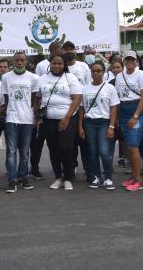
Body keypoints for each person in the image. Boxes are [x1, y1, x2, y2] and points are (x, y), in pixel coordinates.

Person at [38, 54, 83, 191]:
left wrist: (67, 117)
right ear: (50, 64)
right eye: (54, 63)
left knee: (66, 147)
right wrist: (37, 114)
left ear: (64, 65)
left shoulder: (70, 78)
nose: (57, 66)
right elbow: (37, 97)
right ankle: (58, 177)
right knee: (53, 149)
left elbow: (77, 98)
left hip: (68, 118)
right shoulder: (42, 78)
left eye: (60, 64)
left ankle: (68, 177)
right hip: (48, 119)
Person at [1, 52, 39, 193]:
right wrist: (9, 112)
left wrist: (35, 116)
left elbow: (34, 99)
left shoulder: (34, 78)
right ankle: (12, 179)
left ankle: (23, 177)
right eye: (17, 60)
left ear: (26, 62)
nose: (19, 62)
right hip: (12, 118)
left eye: (22, 60)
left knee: (24, 152)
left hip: (27, 119)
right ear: (13, 61)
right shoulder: (6, 77)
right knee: (11, 151)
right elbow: (6, 98)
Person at [79, 61, 120, 190]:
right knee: (93, 151)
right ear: (90, 72)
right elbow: (81, 109)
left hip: (104, 122)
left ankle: (108, 178)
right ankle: (97, 177)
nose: (96, 73)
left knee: (103, 151)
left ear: (103, 72)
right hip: (89, 122)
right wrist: (80, 126)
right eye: (93, 71)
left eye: (99, 71)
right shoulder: (85, 88)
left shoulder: (110, 88)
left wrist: (111, 126)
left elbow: (114, 108)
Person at [114, 51, 143, 191]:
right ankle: (133, 176)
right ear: (124, 61)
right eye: (127, 59)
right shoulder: (119, 76)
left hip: (138, 111)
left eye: (132, 60)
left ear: (136, 62)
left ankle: (138, 181)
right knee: (130, 146)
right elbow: (117, 96)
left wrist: (135, 116)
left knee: (134, 146)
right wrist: (116, 118)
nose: (130, 62)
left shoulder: (141, 74)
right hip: (123, 110)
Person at [30, 43, 63, 180]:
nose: (58, 51)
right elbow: (37, 87)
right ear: (50, 51)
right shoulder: (41, 65)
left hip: (57, 112)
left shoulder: (62, 65)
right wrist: (36, 112)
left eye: (59, 50)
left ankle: (61, 169)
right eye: (55, 50)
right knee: (37, 142)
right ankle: (35, 167)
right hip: (43, 111)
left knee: (56, 144)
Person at [62, 42, 92, 178]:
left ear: (75, 50)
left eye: (71, 49)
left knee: (85, 141)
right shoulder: (60, 66)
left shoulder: (83, 66)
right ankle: (71, 167)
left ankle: (88, 169)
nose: (68, 51)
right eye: (66, 49)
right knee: (70, 143)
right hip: (67, 110)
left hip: (83, 108)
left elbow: (89, 85)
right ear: (62, 51)